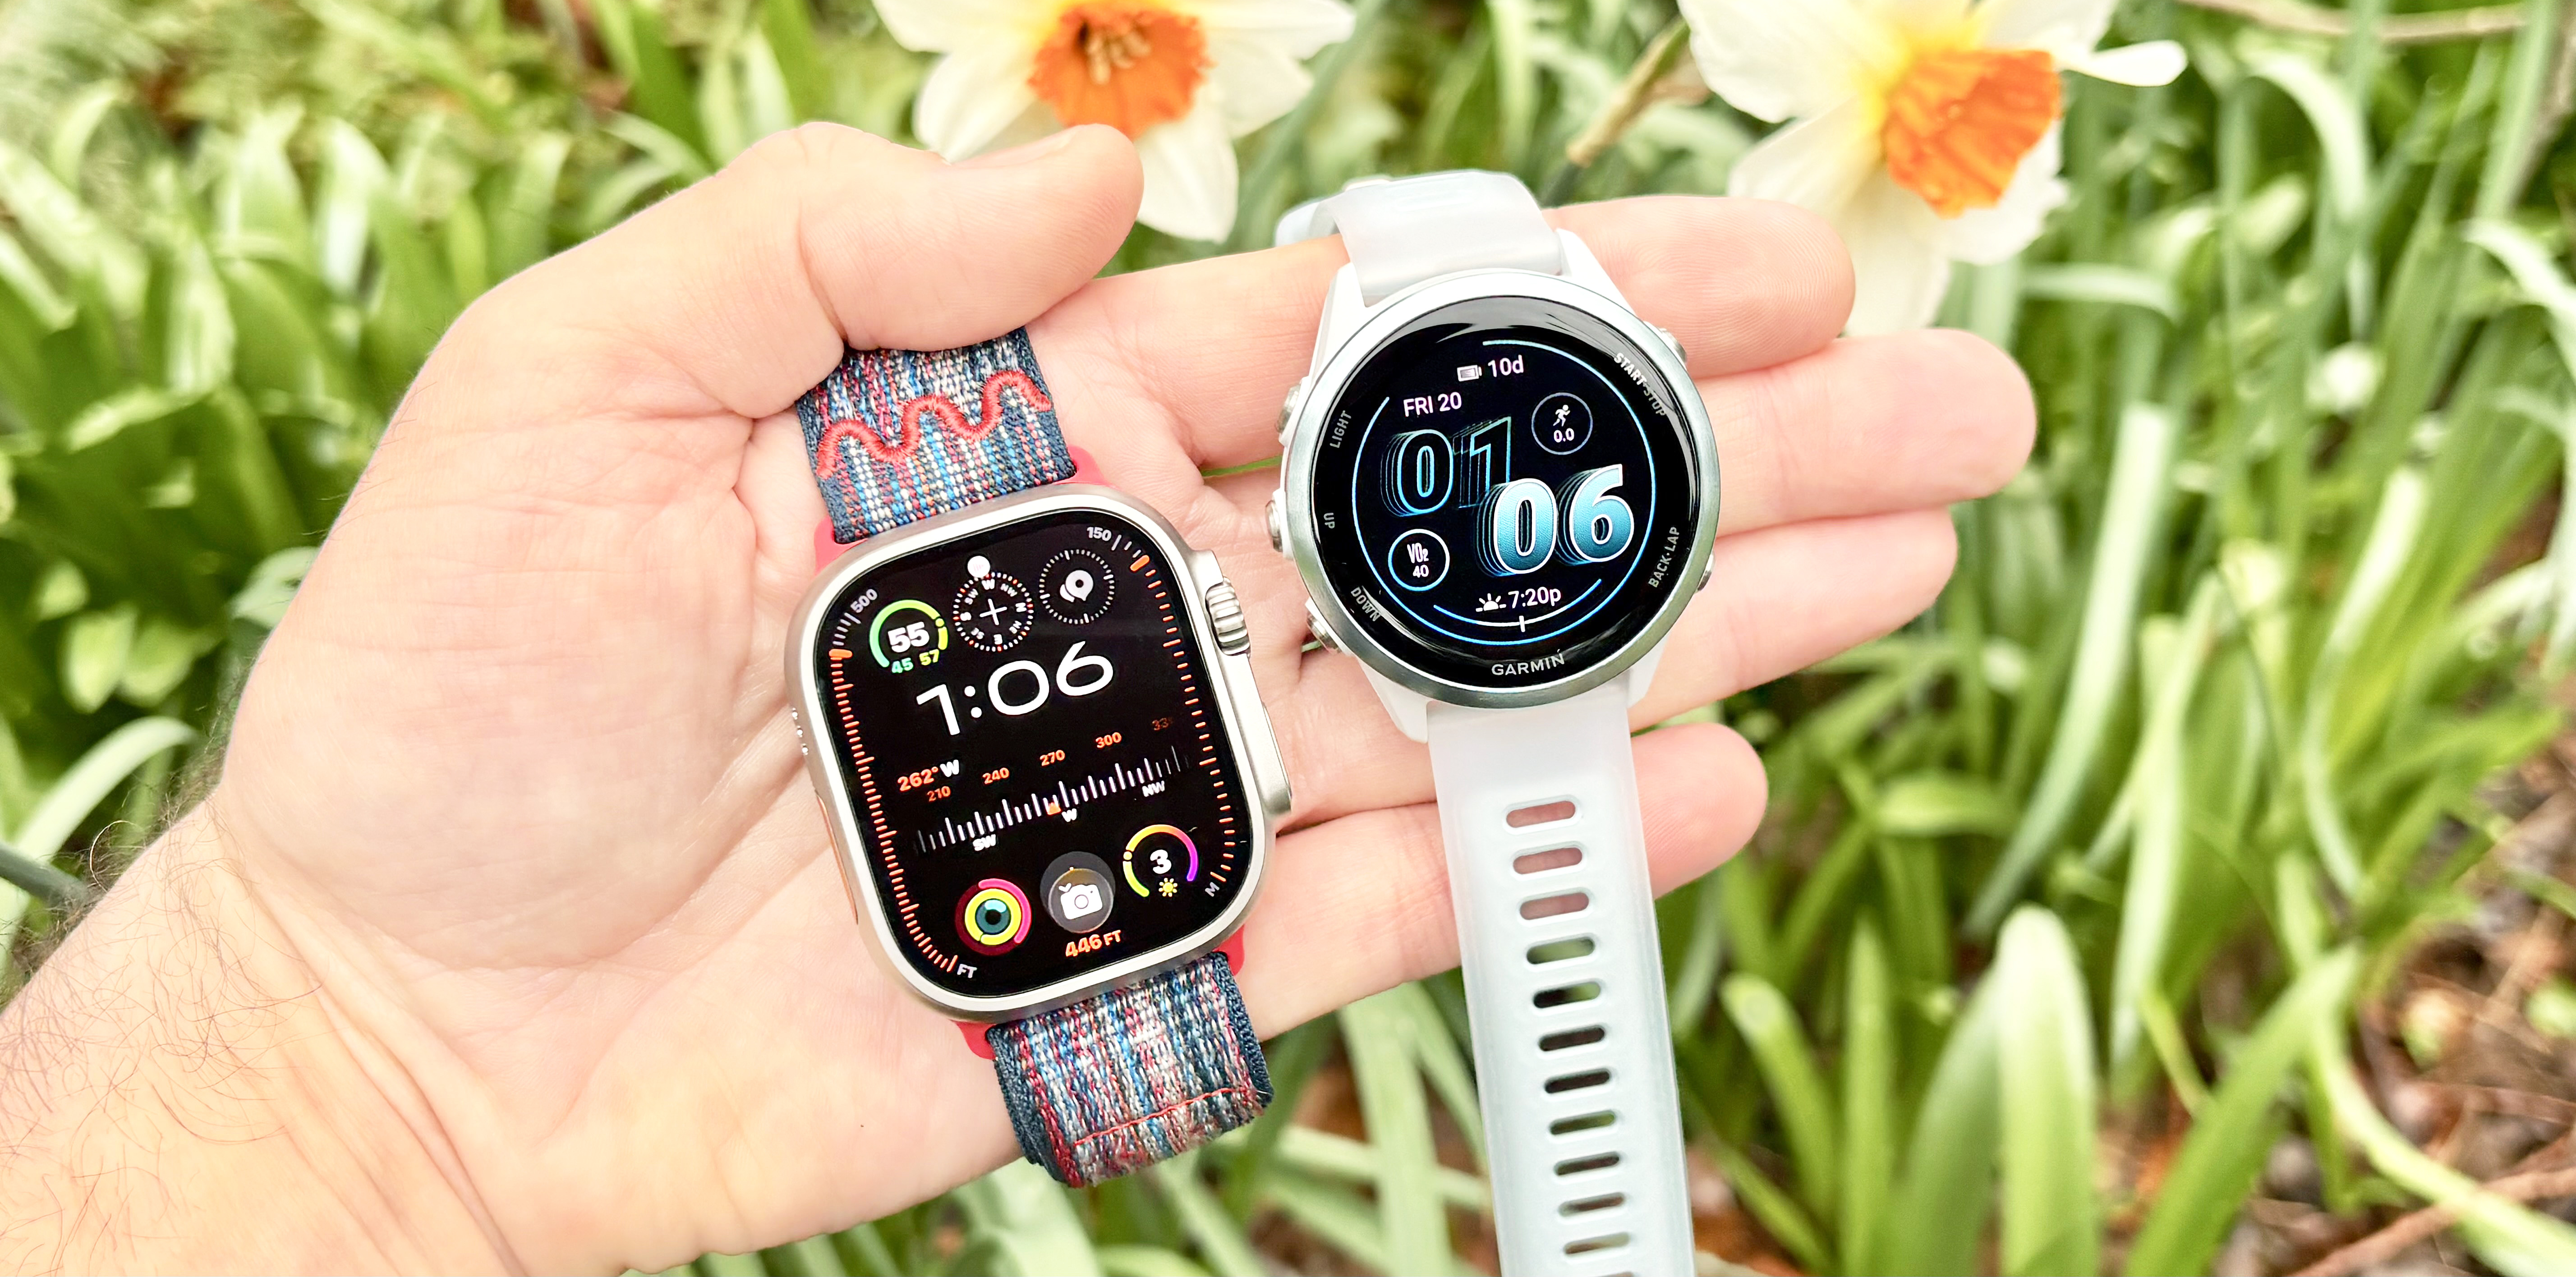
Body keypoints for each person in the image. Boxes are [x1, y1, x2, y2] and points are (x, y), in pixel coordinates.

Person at [0, 124, 2033, 1272]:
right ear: (1318, 528)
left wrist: (318, 1048)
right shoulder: (1336, 525)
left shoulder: (1491, 501)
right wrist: (319, 1026)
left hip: (1520, 702)